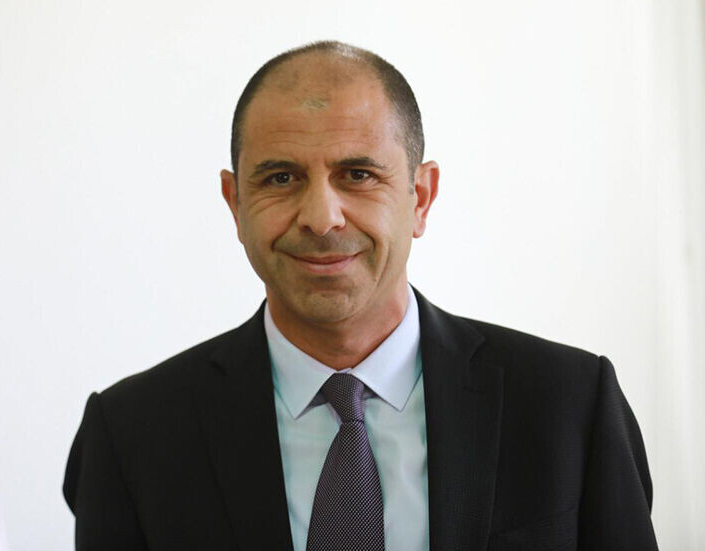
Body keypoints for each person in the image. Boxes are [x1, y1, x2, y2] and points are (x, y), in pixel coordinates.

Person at [63, 41, 657, 550]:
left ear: (421, 198)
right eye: (281, 178)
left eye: (358, 174)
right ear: (235, 203)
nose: (321, 218)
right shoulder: (131, 436)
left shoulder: (570, 406)